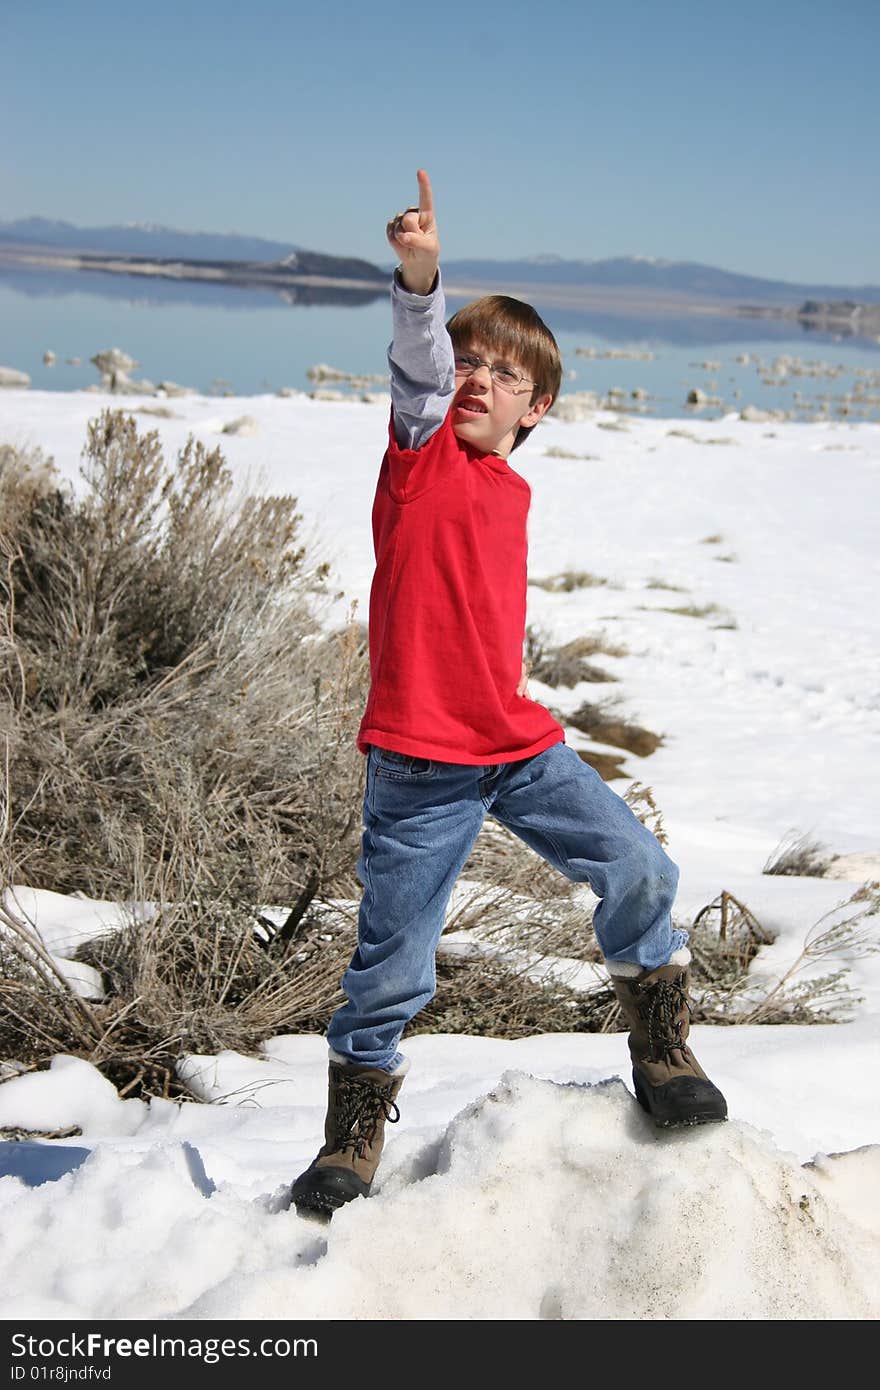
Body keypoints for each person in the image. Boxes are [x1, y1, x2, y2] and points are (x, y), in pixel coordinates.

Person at [291, 171, 726, 1220]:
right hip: (420, 765)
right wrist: (420, 278)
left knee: (638, 864)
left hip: (519, 749)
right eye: (469, 363)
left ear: (540, 408)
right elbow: (417, 361)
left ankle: (659, 1044)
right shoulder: (419, 456)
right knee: (391, 962)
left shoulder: (508, 483)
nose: (477, 379)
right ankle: (353, 1129)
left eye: (504, 373)